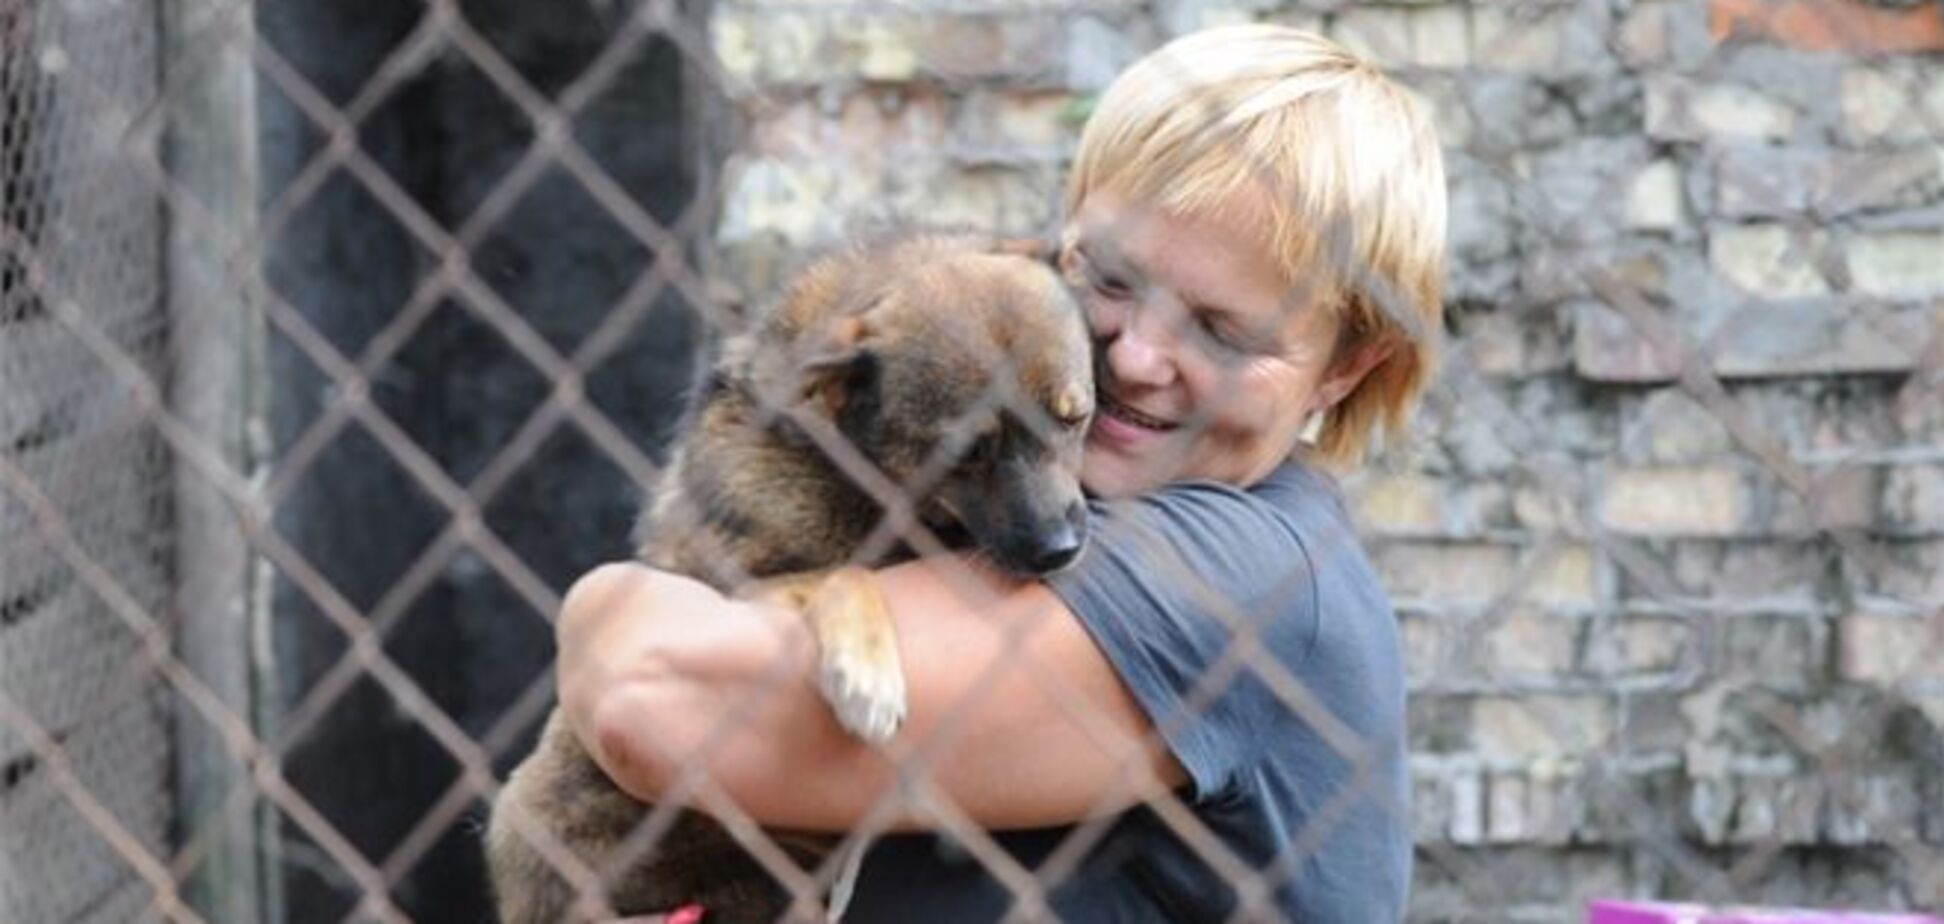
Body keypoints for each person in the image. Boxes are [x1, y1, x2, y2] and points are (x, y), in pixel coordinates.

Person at [554, 23, 1447, 923]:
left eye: (1223, 330)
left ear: (1345, 368)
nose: (1135, 357)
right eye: (1109, 279)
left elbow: (652, 695)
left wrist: (605, 605)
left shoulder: (1241, 576)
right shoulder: (1033, 497)